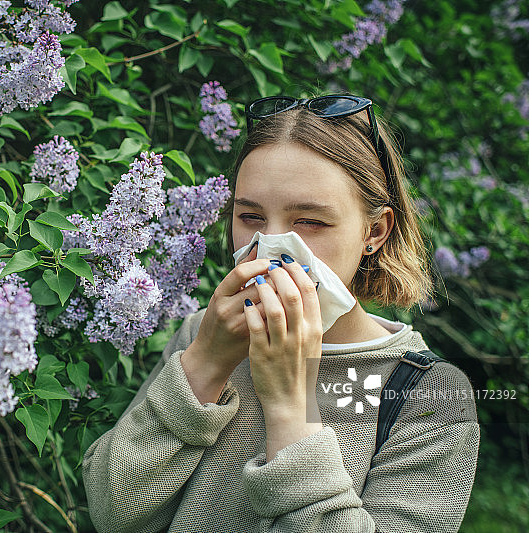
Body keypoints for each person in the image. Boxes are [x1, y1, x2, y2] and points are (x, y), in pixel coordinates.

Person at [81, 95, 480, 532]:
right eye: (250, 215)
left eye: (310, 222)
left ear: (375, 231)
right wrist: (206, 363)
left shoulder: (429, 395)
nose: (270, 245)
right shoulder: (205, 332)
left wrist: (291, 408)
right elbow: (111, 513)